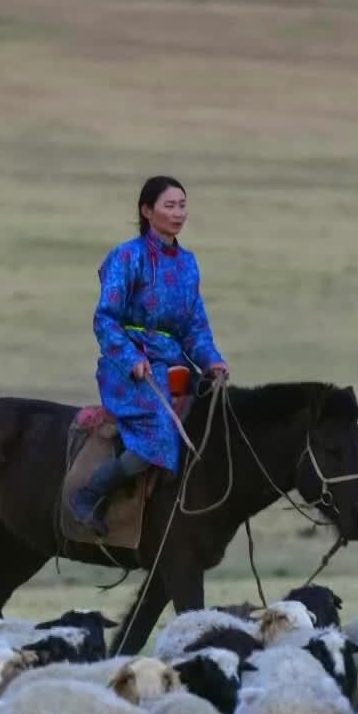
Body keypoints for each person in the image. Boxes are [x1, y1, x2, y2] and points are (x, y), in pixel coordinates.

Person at [70, 175, 230, 537]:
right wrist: (130, 359)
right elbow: (105, 318)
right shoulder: (128, 257)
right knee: (160, 428)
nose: (178, 213)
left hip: (173, 364)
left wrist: (211, 360)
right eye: (169, 206)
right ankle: (89, 495)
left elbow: (194, 327)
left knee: (214, 415)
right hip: (129, 366)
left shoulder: (188, 264)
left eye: (182, 205)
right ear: (147, 211)